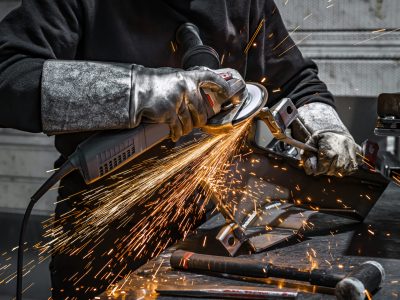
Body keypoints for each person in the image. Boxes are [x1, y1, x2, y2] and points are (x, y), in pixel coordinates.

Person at [0, 1, 360, 298]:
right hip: (104, 225)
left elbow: (295, 80)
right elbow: (9, 73)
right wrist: (136, 91)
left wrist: (323, 123)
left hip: (213, 224)